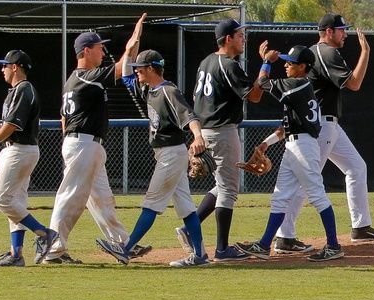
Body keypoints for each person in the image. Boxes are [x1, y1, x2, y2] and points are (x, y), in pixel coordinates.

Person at [41, 15, 150, 264]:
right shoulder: (85, 76)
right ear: (86, 51)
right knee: (70, 198)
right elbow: (123, 68)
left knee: (102, 200)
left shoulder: (74, 80)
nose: (103, 51)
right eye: (100, 47)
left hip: (85, 144)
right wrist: (134, 38)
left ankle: (122, 244)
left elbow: (63, 119)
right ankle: (53, 249)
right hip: (83, 144)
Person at [270, 13, 374, 250]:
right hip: (320, 125)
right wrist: (365, 53)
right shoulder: (326, 52)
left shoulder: (317, 51)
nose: (345, 34)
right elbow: (354, 83)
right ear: (329, 31)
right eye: (341, 30)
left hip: (327, 124)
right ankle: (285, 236)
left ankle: (361, 227)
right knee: (306, 181)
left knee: (356, 167)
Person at [94, 49, 210, 267]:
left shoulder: (168, 91)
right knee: (186, 207)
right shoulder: (149, 90)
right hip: (167, 154)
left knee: (151, 203)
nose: (137, 72)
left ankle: (126, 249)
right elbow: (127, 76)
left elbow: (190, 116)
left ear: (150, 69)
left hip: (171, 154)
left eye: (140, 69)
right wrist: (132, 44)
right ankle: (200, 255)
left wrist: (198, 136)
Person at [236, 44, 346, 262]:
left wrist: (267, 61)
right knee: (280, 197)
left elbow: (263, 83)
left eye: (291, 63)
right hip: (295, 144)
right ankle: (264, 244)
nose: (286, 65)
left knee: (316, 195)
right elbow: (287, 125)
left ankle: (333, 245)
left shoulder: (298, 85)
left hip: (303, 147)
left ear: (303, 67)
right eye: (285, 61)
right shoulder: (300, 88)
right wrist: (266, 143)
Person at [0, 50, 58, 267]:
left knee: (2, 200)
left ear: (15, 67)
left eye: (5, 65)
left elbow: (12, 126)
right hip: (19, 148)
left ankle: (44, 234)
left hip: (20, 151)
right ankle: (16, 254)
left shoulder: (24, 89)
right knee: (15, 202)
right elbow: (11, 127)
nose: (3, 69)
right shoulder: (17, 91)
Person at [187, 18, 261, 262]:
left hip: (206, 130)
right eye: (240, 35)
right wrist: (265, 68)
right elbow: (254, 97)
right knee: (230, 188)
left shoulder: (205, 62)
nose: (243, 39)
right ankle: (222, 249)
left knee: (222, 184)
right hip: (222, 131)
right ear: (228, 38)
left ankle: (191, 227)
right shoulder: (228, 64)